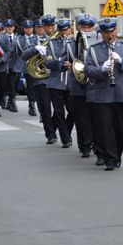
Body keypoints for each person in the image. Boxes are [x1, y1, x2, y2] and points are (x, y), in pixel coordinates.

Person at [84, 17, 123, 170]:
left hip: (122, 93)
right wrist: (101, 69)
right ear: (101, 33)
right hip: (103, 95)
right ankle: (110, 158)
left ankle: (117, 154)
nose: (110, 35)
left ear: (115, 31)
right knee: (105, 127)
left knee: (122, 128)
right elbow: (87, 70)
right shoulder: (94, 49)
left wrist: (121, 60)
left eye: (112, 31)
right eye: (106, 32)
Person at [21, 15, 57, 144]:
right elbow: (23, 56)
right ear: (37, 28)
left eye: (50, 26)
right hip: (41, 80)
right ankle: (50, 134)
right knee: (45, 110)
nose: (46, 29)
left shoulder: (58, 39)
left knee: (60, 110)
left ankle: (57, 129)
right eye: (42, 27)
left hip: (57, 78)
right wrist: (35, 48)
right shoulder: (32, 41)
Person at [67, 13, 98, 158]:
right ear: (78, 28)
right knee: (81, 118)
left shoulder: (99, 43)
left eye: (89, 27)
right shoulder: (70, 44)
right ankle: (85, 146)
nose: (86, 30)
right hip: (78, 86)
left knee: (96, 118)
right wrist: (63, 64)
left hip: (95, 85)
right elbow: (57, 61)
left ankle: (97, 146)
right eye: (83, 27)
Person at [43, 18, 75, 148]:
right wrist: (62, 64)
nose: (63, 32)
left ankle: (66, 131)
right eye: (61, 30)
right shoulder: (51, 43)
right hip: (56, 82)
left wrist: (72, 64)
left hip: (72, 81)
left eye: (66, 29)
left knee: (73, 111)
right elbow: (47, 62)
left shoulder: (75, 42)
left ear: (70, 29)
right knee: (59, 112)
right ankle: (65, 138)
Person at [15, 20, 38, 116]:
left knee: (38, 87)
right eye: (27, 28)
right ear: (24, 29)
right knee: (30, 87)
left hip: (37, 66)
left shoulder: (37, 38)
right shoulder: (20, 40)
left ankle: (38, 104)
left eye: (30, 28)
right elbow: (19, 53)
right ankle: (31, 105)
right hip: (26, 66)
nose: (29, 30)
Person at [3, 19, 19, 112]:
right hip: (4, 64)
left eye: (11, 27)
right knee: (6, 83)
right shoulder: (1, 38)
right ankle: (9, 101)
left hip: (15, 64)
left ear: (14, 27)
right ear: (5, 28)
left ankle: (11, 101)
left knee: (14, 84)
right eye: (8, 27)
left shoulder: (18, 38)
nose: (9, 28)